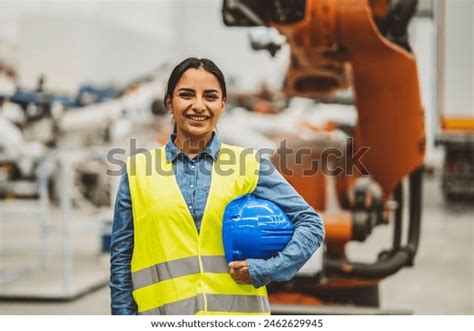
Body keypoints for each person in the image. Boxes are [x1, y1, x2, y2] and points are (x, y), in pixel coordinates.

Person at [110, 57, 325, 315]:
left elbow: (311, 223)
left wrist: (266, 270)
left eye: (210, 96)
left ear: (223, 105)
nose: (198, 106)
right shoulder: (137, 171)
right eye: (186, 95)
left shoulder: (249, 164)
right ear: (169, 102)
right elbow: (121, 262)